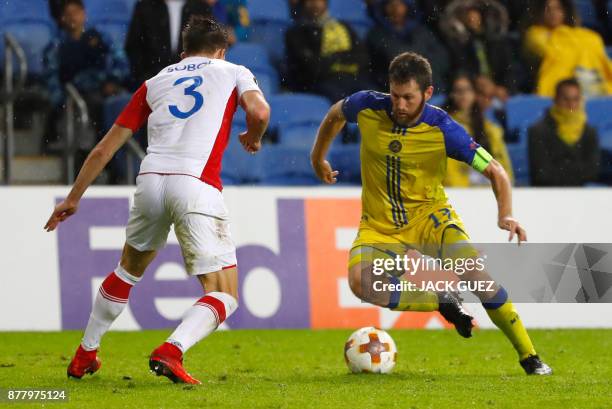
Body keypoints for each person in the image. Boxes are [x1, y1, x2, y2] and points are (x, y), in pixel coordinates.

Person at [44, 17, 270, 384]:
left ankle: (85, 353)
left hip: (150, 181)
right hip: (195, 184)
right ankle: (171, 350)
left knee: (127, 270)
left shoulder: (156, 81)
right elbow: (260, 112)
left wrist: (73, 198)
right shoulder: (233, 70)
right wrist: (253, 136)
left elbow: (104, 149)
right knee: (224, 294)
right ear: (221, 51)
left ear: (183, 53)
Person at [310, 52, 552, 375]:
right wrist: (318, 158)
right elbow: (334, 114)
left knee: (480, 281)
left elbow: (496, 171)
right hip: (380, 229)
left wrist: (505, 214)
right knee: (361, 282)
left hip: (432, 222)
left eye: (408, 97)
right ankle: (441, 299)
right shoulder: (368, 105)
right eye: (395, 95)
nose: (399, 105)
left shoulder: (443, 128)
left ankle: (530, 357)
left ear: (427, 93)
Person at [43, 0, 128, 154]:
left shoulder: (100, 37)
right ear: (62, 18)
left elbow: (121, 61)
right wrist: (60, 100)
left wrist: (112, 81)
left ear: (84, 14)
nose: (72, 18)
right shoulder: (57, 45)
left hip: (100, 91)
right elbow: (51, 76)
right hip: (72, 95)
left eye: (76, 13)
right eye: (68, 14)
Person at [285, 0, 371, 101]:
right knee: (344, 105)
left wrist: (333, 58)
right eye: (310, 1)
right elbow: (313, 68)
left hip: (353, 79)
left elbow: (363, 58)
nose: (315, 4)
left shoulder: (343, 26)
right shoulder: (297, 32)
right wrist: (343, 57)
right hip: (320, 83)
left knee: (373, 98)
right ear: (303, 4)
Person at [523, 0, 612, 96]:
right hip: (555, 89)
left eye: (557, 8)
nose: (553, 13)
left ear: (566, 10)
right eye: (547, 9)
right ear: (539, 12)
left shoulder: (588, 36)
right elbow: (546, 51)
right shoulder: (534, 34)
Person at [125, 0, 214, 89]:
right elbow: (134, 46)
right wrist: (145, 79)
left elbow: (209, 47)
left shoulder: (201, 8)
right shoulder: (145, 7)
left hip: (193, 82)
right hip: (152, 82)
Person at [444, 74, 514, 186]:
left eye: (468, 90)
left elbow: (503, 166)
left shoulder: (491, 129)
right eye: (458, 90)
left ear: (475, 94)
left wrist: (504, 184)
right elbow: (450, 175)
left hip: (488, 187)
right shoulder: (443, 127)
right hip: (460, 192)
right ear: (451, 94)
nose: (463, 95)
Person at [440, 0, 518, 100]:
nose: (472, 20)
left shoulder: (498, 42)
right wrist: (476, 81)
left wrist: (505, 88)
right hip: (472, 92)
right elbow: (459, 68)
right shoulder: (457, 44)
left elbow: (509, 69)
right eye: (468, 17)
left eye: (475, 16)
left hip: (499, 92)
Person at [529, 78, 600, 186]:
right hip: (547, 196)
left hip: (582, 195)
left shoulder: (590, 132)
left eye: (575, 99)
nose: (571, 105)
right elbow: (541, 174)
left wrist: (561, 170)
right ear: (555, 99)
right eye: (566, 99)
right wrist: (578, 172)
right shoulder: (538, 131)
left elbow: (593, 171)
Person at [366, 0, 450, 92]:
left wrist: (423, 74)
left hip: (431, 90)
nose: (396, 9)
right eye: (391, 5)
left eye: (400, 4)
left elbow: (442, 58)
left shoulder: (422, 31)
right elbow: (388, 60)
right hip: (394, 93)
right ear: (383, 7)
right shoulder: (376, 35)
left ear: (407, 6)